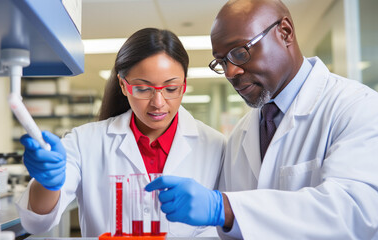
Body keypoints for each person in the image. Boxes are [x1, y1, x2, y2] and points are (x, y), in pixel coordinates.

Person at [145, 0, 378, 239]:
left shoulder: (358, 107)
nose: (230, 72)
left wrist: (225, 208)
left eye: (239, 52)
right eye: (222, 62)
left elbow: (355, 212)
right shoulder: (241, 134)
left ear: (285, 32)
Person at [16, 28, 225, 237]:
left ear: (184, 86)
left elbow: (232, 227)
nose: (158, 103)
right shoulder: (85, 141)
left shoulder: (217, 146)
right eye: (143, 89)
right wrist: (47, 183)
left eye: (171, 89)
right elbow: (36, 224)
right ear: (123, 86)